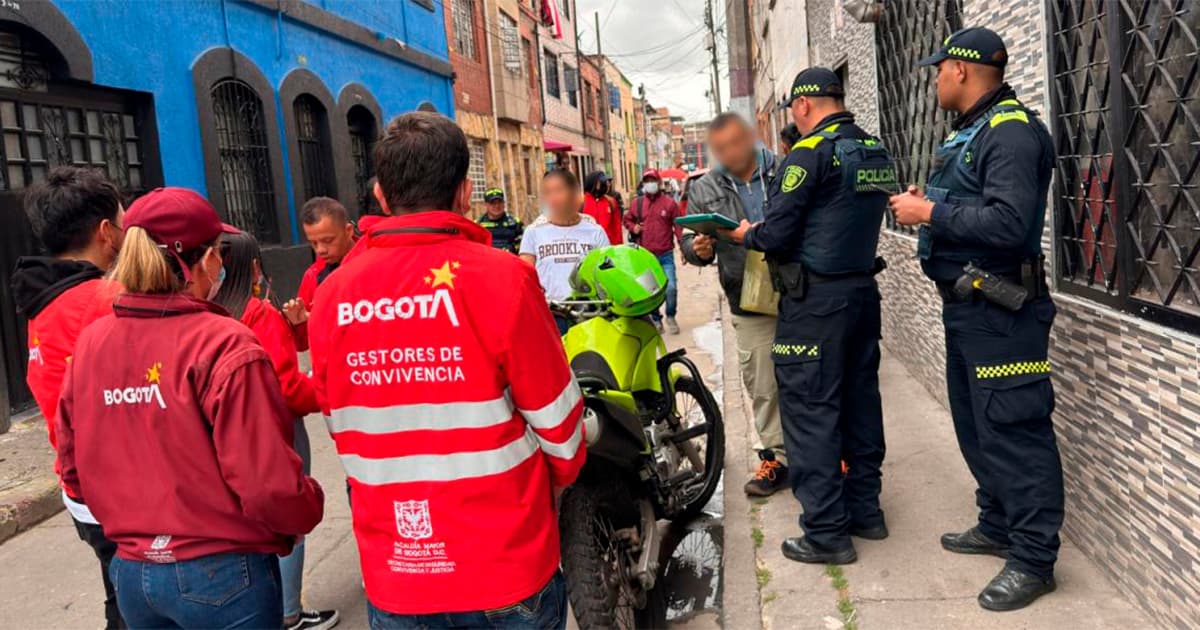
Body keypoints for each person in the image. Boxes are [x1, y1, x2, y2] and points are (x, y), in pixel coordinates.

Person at [308, 112, 585, 628]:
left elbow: (340, 426)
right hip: (507, 568)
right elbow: (564, 437)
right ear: (463, 193)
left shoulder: (332, 296)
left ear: (381, 196)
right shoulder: (506, 280)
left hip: (399, 578)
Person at [55, 187, 325, 629]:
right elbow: (266, 482)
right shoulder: (223, 341)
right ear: (200, 261)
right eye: (218, 252)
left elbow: (72, 464)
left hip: (134, 571)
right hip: (221, 572)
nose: (221, 262)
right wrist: (307, 506)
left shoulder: (92, 342)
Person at [890, 27, 1061, 611]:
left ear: (961, 70)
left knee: (1015, 433)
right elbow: (975, 206)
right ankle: (998, 523)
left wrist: (929, 210)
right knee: (978, 427)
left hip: (1002, 311)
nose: (935, 78)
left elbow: (1011, 225)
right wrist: (930, 206)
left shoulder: (1010, 132)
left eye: (939, 69)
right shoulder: (974, 131)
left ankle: (1035, 560)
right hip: (969, 309)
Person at [728, 67, 893, 565]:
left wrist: (743, 235)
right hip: (862, 295)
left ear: (802, 106)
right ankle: (866, 512)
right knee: (861, 404)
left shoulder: (808, 153)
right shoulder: (873, 148)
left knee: (811, 413)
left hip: (815, 305)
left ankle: (826, 534)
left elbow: (777, 235)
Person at [10, 166, 125, 629]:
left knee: (119, 592)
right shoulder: (107, 298)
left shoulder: (44, 299)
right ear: (105, 232)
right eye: (124, 220)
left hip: (80, 487)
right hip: (119, 490)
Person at [213, 232, 339, 630]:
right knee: (288, 514)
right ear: (252, 266)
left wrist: (297, 330)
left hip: (223, 434)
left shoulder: (209, 313)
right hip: (276, 429)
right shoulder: (258, 313)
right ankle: (289, 611)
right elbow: (285, 388)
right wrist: (325, 386)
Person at [681, 113, 787, 497]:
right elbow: (691, 244)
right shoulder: (705, 187)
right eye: (721, 148)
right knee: (762, 380)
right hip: (748, 294)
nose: (730, 152)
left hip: (800, 288)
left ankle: (827, 453)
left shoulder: (785, 170)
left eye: (736, 143)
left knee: (813, 375)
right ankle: (777, 457)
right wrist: (698, 248)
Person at [521, 169, 610, 333]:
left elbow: (607, 272)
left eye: (559, 191)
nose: (553, 198)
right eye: (547, 192)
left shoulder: (594, 231)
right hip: (550, 316)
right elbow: (525, 276)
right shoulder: (533, 232)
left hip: (589, 314)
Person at [282, 196, 356, 350]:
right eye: (313, 243)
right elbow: (303, 344)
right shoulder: (313, 276)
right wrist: (298, 322)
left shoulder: (371, 262)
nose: (320, 250)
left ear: (348, 231)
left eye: (328, 241)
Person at [624, 169, 684, 333]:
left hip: (665, 255)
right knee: (650, 292)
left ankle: (670, 316)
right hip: (645, 256)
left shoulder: (669, 204)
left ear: (658, 183)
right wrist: (634, 227)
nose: (649, 184)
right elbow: (627, 219)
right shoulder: (638, 203)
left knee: (671, 288)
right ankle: (656, 319)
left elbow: (678, 226)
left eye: (652, 180)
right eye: (646, 181)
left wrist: (684, 247)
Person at [476, 187, 524, 253]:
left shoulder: (515, 223)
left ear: (504, 203)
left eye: (500, 202)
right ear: (485, 204)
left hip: (510, 260)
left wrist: (512, 248)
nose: (497, 206)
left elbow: (524, 245)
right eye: (493, 203)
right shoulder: (477, 225)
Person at [583, 171, 624, 245]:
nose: (607, 184)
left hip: (608, 248)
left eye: (606, 182)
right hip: (588, 248)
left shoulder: (611, 201)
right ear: (593, 184)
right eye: (602, 182)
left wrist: (618, 248)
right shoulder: (581, 202)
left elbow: (617, 228)